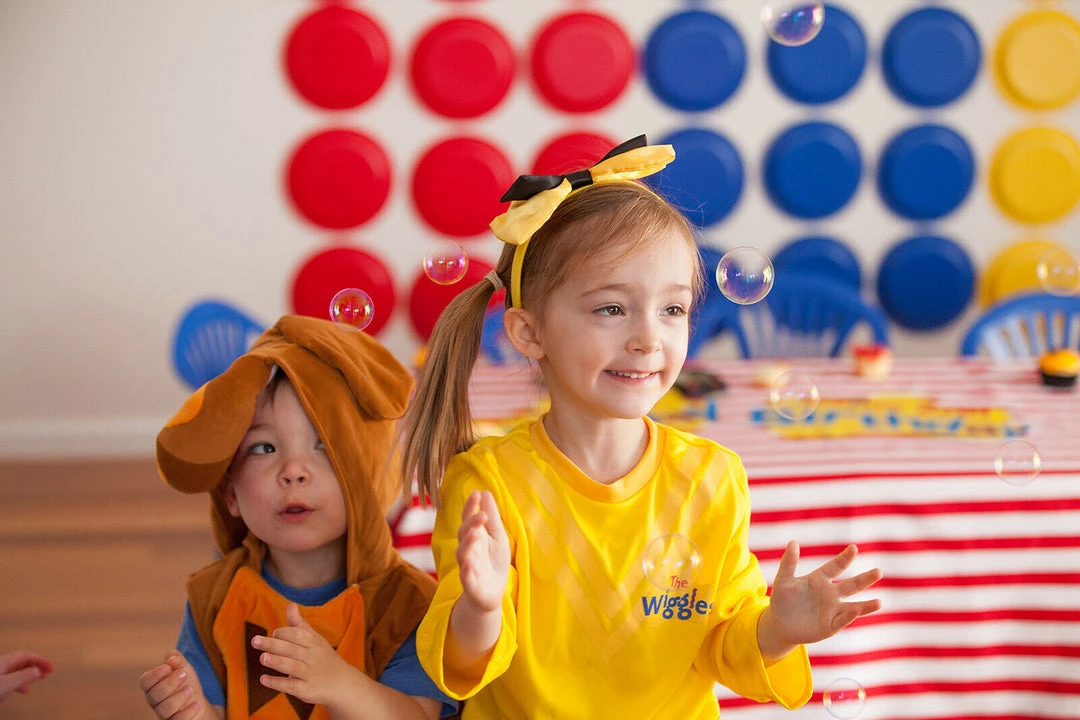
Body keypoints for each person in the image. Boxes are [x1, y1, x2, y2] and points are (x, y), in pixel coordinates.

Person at [398, 135, 883, 719]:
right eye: (611, 308)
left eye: (672, 309)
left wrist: (777, 630)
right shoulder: (489, 483)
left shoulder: (711, 477)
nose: (648, 338)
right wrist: (479, 608)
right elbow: (461, 667)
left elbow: (723, 642)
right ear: (529, 332)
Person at [140, 315, 458, 720]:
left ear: (370, 477)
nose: (293, 470)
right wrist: (193, 711)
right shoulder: (214, 597)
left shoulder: (407, 605)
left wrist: (340, 684)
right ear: (230, 493)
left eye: (323, 445)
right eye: (264, 448)